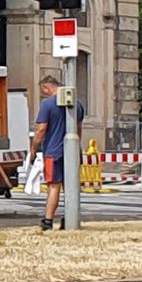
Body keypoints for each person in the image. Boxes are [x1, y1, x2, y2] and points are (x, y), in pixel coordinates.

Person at [34, 75, 82, 232]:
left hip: (53, 151)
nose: (44, 94)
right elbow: (79, 128)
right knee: (70, 186)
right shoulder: (77, 104)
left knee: (53, 186)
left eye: (43, 91)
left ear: (47, 87)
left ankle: (48, 221)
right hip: (72, 151)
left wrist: (33, 149)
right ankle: (70, 218)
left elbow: (41, 129)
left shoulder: (47, 104)